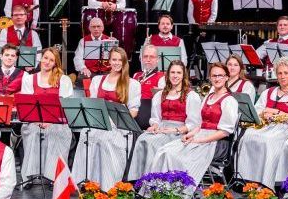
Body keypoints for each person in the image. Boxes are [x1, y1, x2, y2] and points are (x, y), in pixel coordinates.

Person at [149, 62, 237, 199]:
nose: (216, 78)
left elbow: (224, 131)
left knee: (175, 156)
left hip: (216, 143)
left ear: (227, 77)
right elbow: (200, 124)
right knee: (164, 150)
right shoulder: (209, 97)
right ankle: (161, 193)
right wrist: (191, 135)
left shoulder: (229, 100)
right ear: (209, 77)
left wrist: (201, 141)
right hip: (201, 135)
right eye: (213, 75)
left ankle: (179, 196)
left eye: (220, 75)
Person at [71, 48, 141, 190]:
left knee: (106, 139)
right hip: (100, 122)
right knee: (86, 133)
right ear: (109, 61)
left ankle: (107, 183)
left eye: (119, 60)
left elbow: (134, 110)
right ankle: (86, 180)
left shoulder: (132, 83)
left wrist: (115, 120)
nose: (116, 63)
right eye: (114, 59)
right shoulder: (98, 80)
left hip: (119, 125)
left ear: (124, 62)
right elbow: (92, 104)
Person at [235, 58, 288, 188]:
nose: (282, 76)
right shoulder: (268, 92)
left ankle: (267, 182)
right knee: (248, 136)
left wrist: (275, 113)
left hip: (285, 128)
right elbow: (256, 111)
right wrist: (264, 113)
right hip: (265, 125)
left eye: (286, 73)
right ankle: (247, 180)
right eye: (279, 73)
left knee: (269, 141)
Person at [128, 60, 201, 181]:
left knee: (152, 143)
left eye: (178, 72)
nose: (175, 76)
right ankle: (138, 179)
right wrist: (155, 125)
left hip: (179, 132)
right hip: (163, 128)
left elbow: (193, 123)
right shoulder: (160, 94)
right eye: (172, 72)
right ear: (167, 75)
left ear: (184, 75)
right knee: (142, 138)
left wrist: (175, 129)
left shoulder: (191, 95)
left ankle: (152, 181)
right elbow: (156, 118)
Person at [19, 48, 74, 181]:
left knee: (56, 132)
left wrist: (50, 122)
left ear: (55, 63)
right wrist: (38, 121)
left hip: (57, 121)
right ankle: (30, 175)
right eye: (45, 58)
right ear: (41, 59)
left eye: (51, 60)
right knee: (32, 131)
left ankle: (54, 177)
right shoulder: (29, 79)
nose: (47, 62)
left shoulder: (64, 80)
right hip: (34, 121)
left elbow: (66, 106)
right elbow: (26, 105)